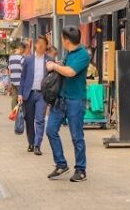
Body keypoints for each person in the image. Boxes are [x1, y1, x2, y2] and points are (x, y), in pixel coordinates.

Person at [45, 26, 91, 182]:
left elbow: (71, 72)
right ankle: (61, 164)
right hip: (61, 99)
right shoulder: (69, 54)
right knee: (50, 129)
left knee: (77, 136)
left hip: (75, 100)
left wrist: (55, 66)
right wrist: (58, 64)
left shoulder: (83, 54)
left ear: (66, 41)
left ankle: (81, 170)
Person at [18, 36, 50, 155]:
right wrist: (20, 93)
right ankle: (31, 143)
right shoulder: (28, 59)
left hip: (42, 94)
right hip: (29, 94)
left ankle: (37, 145)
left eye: (43, 43)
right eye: (39, 43)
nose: (41, 45)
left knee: (40, 119)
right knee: (29, 120)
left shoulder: (49, 60)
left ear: (46, 46)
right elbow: (23, 78)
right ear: (35, 45)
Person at [8, 43, 26, 109]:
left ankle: (14, 113)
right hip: (20, 82)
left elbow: (9, 70)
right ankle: (20, 113)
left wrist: (10, 81)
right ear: (21, 48)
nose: (24, 51)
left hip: (13, 81)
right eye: (23, 50)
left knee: (14, 98)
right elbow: (23, 70)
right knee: (21, 98)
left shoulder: (11, 58)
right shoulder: (21, 58)